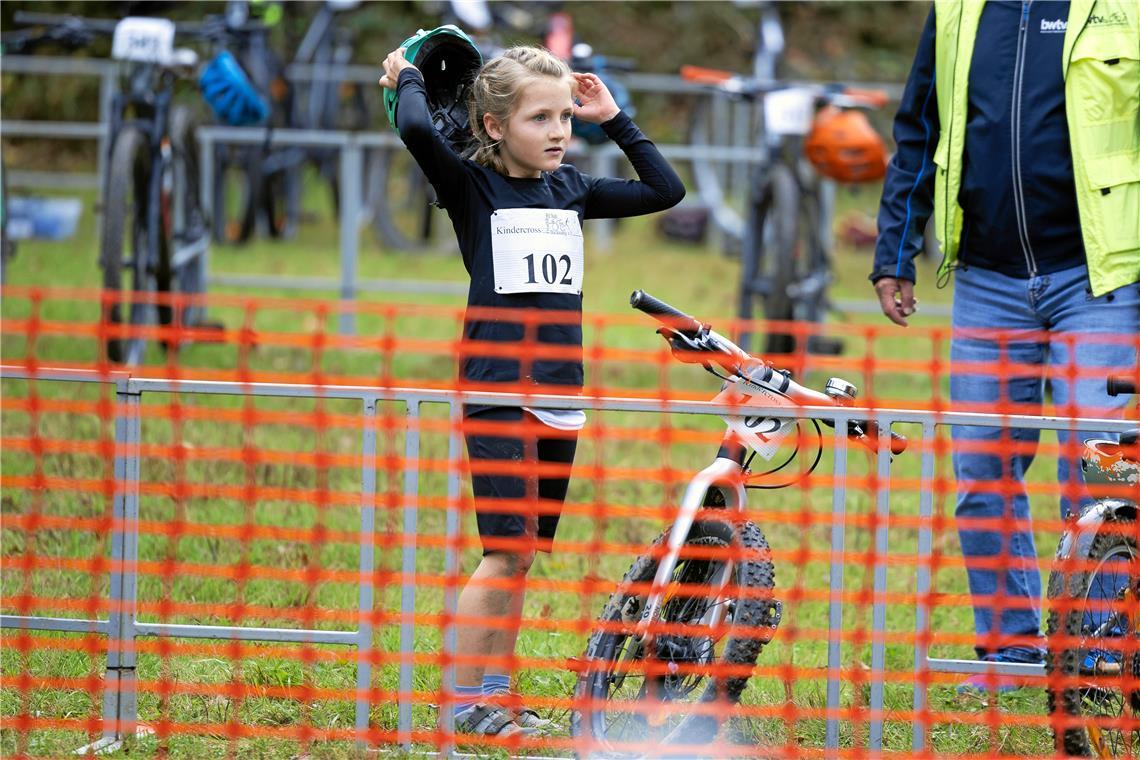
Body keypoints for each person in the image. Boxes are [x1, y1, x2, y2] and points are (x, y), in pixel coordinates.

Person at [379, 39, 685, 735]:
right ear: (494, 126)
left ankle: (496, 694)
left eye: (563, 118)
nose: (556, 133)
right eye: (538, 119)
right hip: (498, 394)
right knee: (504, 553)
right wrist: (412, 77)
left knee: (522, 560)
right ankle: (461, 706)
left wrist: (613, 117)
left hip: (559, 398)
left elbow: (665, 191)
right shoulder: (471, 188)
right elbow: (421, 129)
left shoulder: (572, 189)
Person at [870, 1, 1139, 693]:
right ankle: (1010, 653)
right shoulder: (958, 9)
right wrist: (896, 252)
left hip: (1100, 276)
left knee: (1099, 474)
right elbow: (918, 128)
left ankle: (1101, 650)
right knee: (982, 475)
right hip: (987, 280)